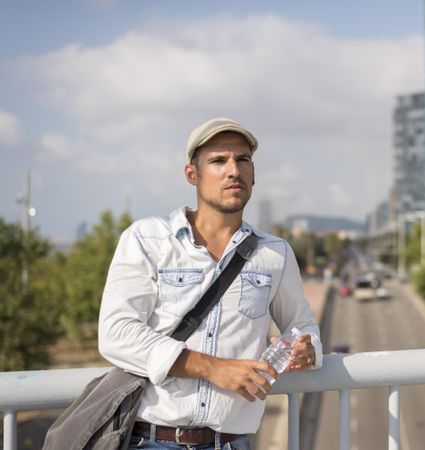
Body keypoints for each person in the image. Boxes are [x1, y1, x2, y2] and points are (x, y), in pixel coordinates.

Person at [98, 117, 322, 450]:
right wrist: (214, 369)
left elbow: (302, 327)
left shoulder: (275, 254)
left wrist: (305, 349)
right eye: (219, 160)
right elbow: (116, 333)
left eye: (243, 159)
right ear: (193, 174)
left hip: (234, 443)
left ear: (254, 172)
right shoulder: (147, 239)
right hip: (153, 441)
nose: (234, 170)